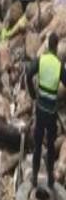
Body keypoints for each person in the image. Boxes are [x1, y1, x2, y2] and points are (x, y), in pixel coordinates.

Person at [26, 32, 66, 188]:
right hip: (51, 113)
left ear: (48, 45)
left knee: (37, 145)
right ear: (56, 47)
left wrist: (32, 92)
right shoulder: (59, 65)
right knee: (50, 146)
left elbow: (29, 73)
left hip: (40, 110)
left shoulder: (40, 60)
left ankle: (34, 177)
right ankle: (50, 179)